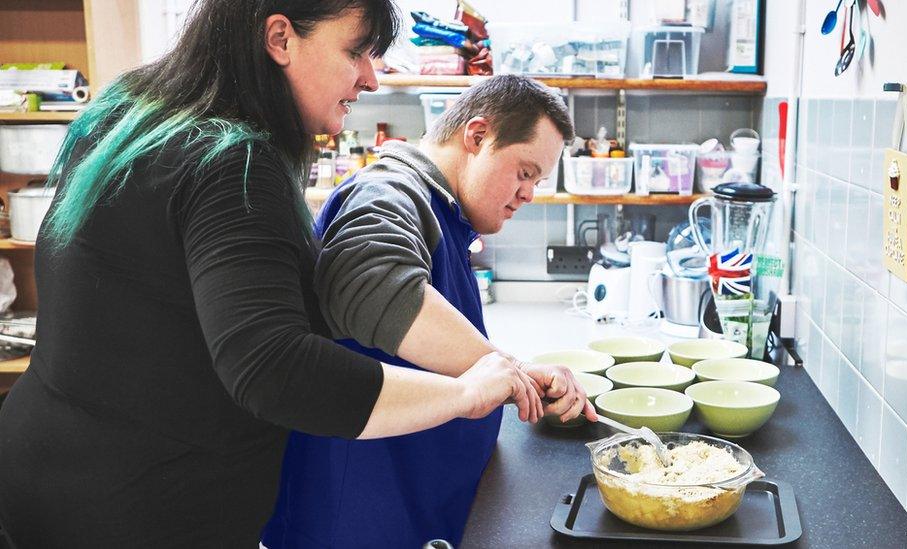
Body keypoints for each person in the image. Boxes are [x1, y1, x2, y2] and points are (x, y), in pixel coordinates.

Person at [0, 3, 576, 547]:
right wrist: (464, 393)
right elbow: (273, 366)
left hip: (47, 467)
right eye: (356, 52)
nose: (371, 78)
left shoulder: (134, 110)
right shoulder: (230, 160)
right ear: (281, 39)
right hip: (138, 508)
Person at [262, 76, 594, 549]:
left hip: (415, 505)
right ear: (477, 137)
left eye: (537, 182)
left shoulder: (446, 212)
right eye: (524, 172)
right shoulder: (390, 191)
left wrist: (516, 376)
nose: (528, 194)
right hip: (359, 519)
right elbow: (369, 282)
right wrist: (514, 373)